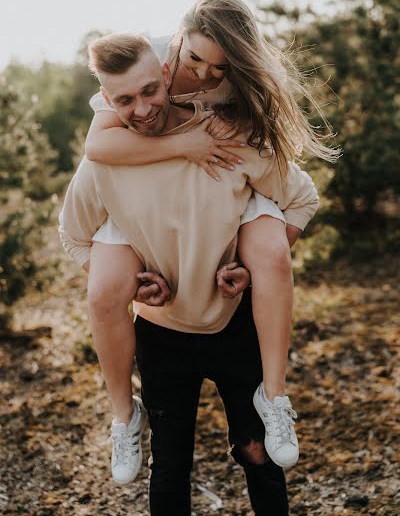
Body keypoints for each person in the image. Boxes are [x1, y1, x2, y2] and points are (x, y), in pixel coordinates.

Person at [59, 33, 321, 515]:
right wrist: (131, 282)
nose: (140, 109)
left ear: (164, 75)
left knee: (259, 454)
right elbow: (73, 235)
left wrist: (253, 268)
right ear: (105, 101)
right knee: (170, 467)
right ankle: (126, 419)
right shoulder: (105, 162)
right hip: (162, 335)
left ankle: (274, 403)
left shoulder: (224, 136)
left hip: (234, 323)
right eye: (123, 101)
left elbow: (301, 198)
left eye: (148, 92)